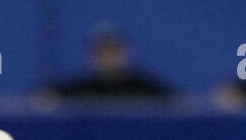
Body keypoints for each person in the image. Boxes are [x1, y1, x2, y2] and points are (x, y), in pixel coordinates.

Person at [37, 25, 176, 103]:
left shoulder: (145, 87)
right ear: (93, 56)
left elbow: (177, 104)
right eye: (103, 52)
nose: (109, 58)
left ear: (125, 53)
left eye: (114, 51)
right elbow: (44, 98)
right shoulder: (81, 88)